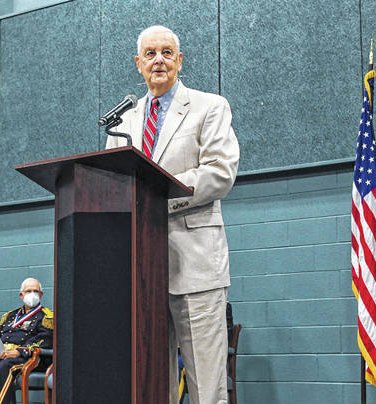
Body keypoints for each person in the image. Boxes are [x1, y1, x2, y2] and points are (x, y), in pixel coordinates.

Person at [105, 25, 239, 404]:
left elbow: (219, 173)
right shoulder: (123, 122)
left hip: (195, 267)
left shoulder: (209, 106)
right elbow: (113, 185)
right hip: (140, 273)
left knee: (206, 389)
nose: (158, 60)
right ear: (138, 64)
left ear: (180, 61)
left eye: (166, 52)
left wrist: (157, 198)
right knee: (148, 383)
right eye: (150, 54)